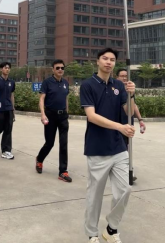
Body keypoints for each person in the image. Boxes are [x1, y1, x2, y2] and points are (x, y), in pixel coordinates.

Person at [81, 48, 136, 243]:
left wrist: (131, 95)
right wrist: (120, 127)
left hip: (118, 147)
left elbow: (129, 111)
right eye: (105, 58)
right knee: (94, 196)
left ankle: (111, 228)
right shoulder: (88, 85)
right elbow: (92, 116)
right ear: (97, 61)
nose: (108, 62)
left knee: (125, 190)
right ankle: (92, 234)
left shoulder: (119, 86)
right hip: (97, 148)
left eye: (112, 59)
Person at [36, 60, 72, 183]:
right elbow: (42, 99)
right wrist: (43, 114)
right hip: (50, 115)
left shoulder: (66, 83)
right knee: (49, 143)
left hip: (63, 117)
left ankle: (63, 171)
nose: (60, 70)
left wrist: (67, 112)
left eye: (62, 68)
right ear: (53, 69)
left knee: (64, 144)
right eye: (57, 68)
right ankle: (39, 159)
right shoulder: (47, 82)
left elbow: (66, 98)